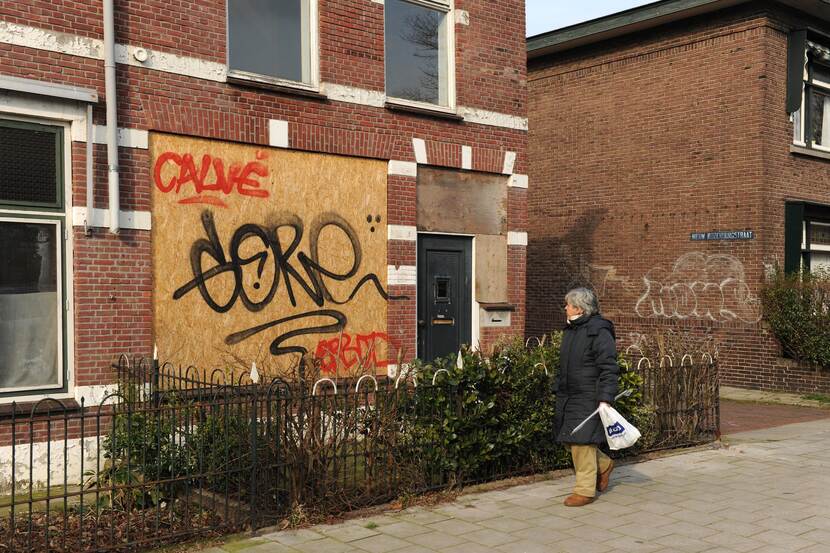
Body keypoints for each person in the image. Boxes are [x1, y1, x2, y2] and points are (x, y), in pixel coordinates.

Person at [553, 287, 620, 506]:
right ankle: (604, 464)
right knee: (569, 439)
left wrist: (605, 397)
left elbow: (609, 367)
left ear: (580, 308)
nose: (565, 308)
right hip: (569, 393)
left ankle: (584, 490)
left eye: (569, 304)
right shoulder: (571, 329)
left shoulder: (598, 331)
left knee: (581, 442)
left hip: (589, 394)